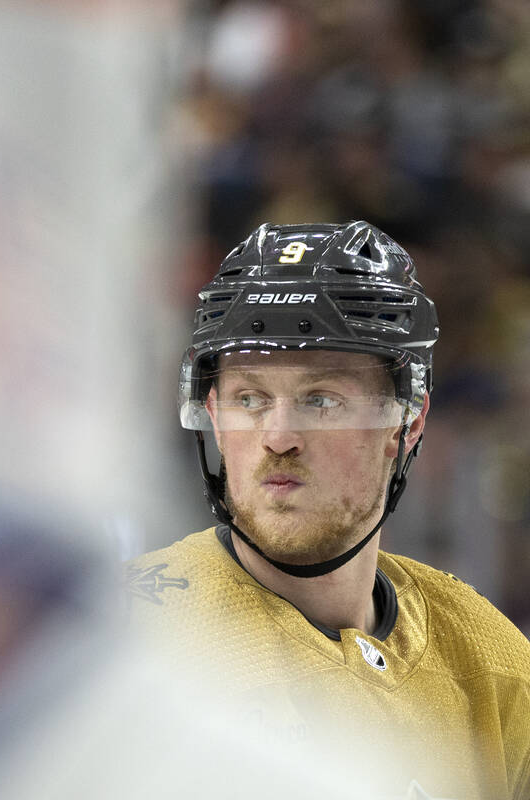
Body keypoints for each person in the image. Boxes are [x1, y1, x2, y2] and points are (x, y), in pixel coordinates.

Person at [126, 220, 530, 799]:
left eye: (321, 399)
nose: (278, 436)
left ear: (407, 423)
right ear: (212, 414)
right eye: (250, 398)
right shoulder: (128, 637)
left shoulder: (489, 660)